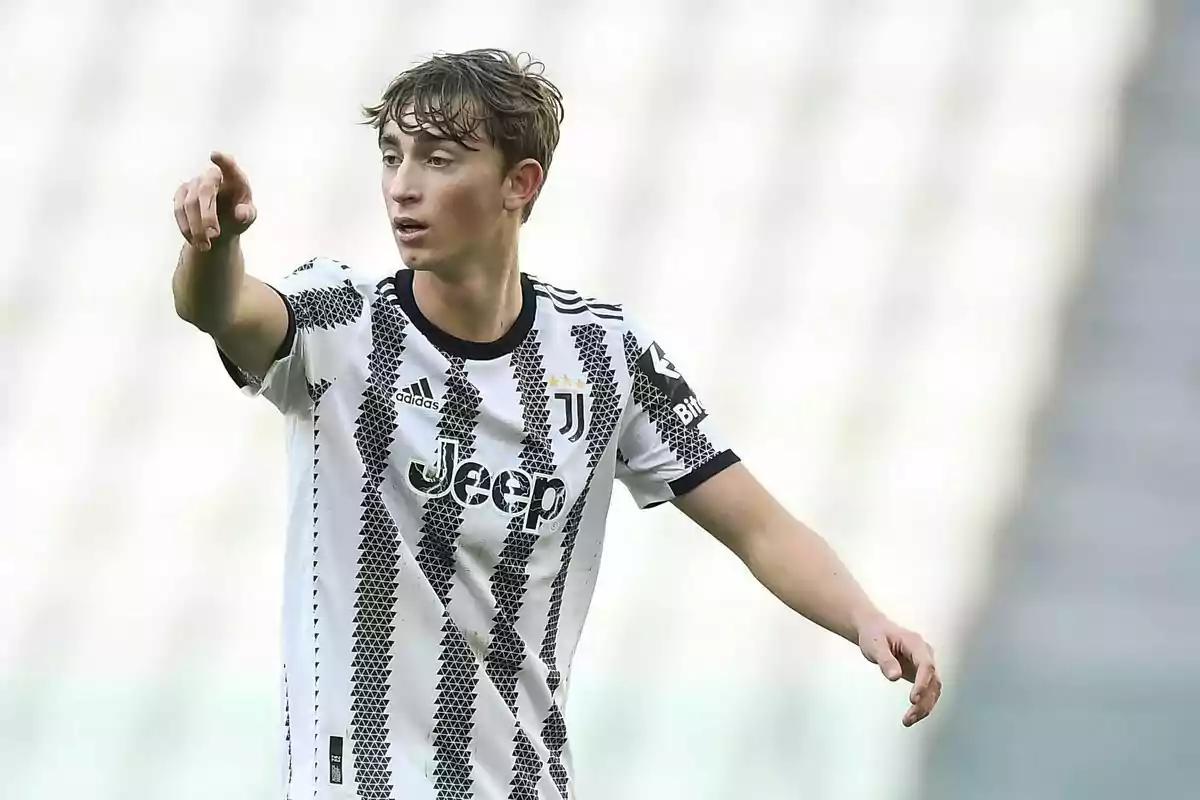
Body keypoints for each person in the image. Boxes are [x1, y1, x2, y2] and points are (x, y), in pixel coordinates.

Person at [171, 48, 941, 800]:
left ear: (519, 182)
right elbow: (218, 307)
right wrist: (213, 246)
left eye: (438, 160)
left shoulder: (605, 354)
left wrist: (865, 619)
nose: (403, 187)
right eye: (392, 156)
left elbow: (758, 526)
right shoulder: (341, 317)